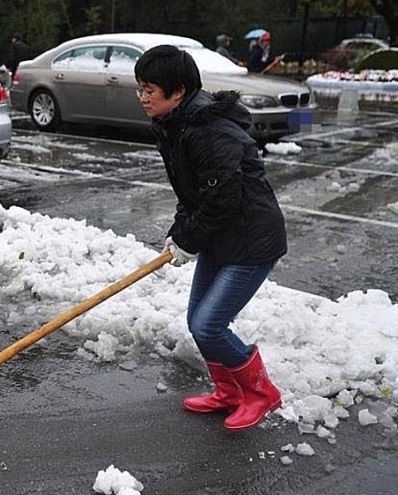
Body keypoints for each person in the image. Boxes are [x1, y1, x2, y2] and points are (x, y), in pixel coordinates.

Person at [133, 45, 286, 431]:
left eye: (149, 89)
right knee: (196, 320)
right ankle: (230, 392)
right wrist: (178, 234)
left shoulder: (208, 130)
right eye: (140, 88)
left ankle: (262, 394)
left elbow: (222, 199)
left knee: (208, 325)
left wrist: (190, 240)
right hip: (222, 237)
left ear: (178, 90)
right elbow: (192, 194)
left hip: (252, 241)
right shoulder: (176, 125)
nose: (142, 97)